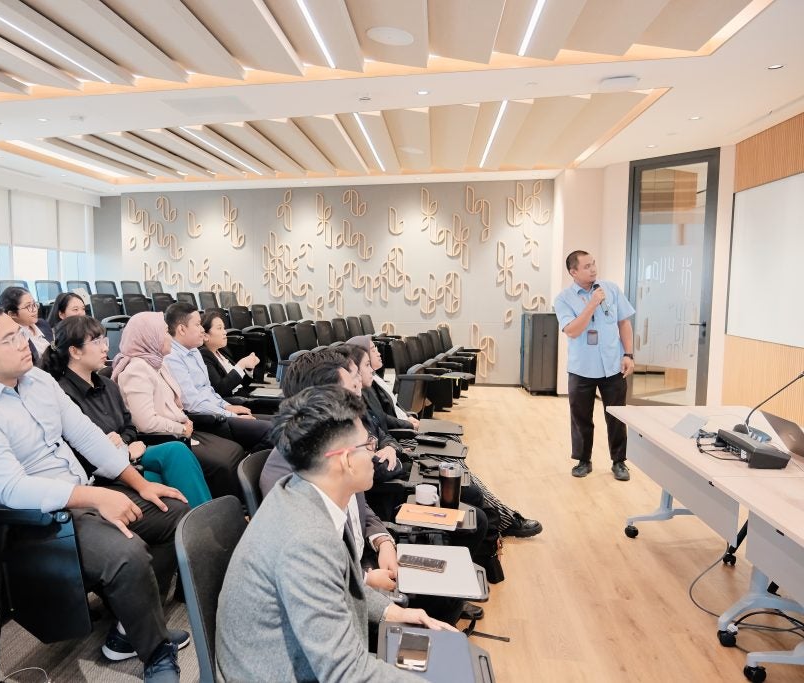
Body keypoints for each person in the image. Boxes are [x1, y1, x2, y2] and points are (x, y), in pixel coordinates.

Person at [0, 303, 189, 682]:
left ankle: (130, 626)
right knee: (126, 553)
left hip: (80, 495)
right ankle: (154, 651)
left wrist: (139, 483)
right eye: (9, 339)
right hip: (34, 522)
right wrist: (96, 497)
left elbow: (87, 435)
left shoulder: (38, 381)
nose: (25, 341)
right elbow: (12, 489)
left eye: (19, 332)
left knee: (174, 512)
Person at [216, 385, 456, 682]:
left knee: (440, 657)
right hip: (281, 672)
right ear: (343, 460)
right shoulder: (305, 540)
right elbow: (344, 672)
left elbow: (337, 584)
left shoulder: (303, 491)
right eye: (368, 444)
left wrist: (393, 613)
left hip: (305, 656)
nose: (373, 452)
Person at [346, 335, 543, 539]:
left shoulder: (375, 382)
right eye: (371, 351)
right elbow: (383, 425)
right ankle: (503, 519)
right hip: (401, 447)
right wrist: (404, 433)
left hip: (398, 443)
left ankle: (497, 516)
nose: (378, 351)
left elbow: (384, 421)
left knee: (457, 461)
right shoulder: (360, 395)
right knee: (453, 467)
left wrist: (406, 425)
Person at [41, 316, 211, 508]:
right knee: (161, 480)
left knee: (176, 450)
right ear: (75, 351)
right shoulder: (62, 394)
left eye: (104, 341)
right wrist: (124, 453)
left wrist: (123, 442)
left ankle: (207, 518)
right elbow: (79, 451)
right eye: (97, 342)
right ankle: (199, 524)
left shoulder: (107, 385)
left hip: (131, 453)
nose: (106, 348)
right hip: (103, 471)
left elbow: (129, 426)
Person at [113, 312, 246, 499]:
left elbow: (177, 403)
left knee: (233, 450)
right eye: (165, 332)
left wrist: (184, 423)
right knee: (222, 461)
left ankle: (237, 508)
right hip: (163, 437)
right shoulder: (137, 369)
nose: (169, 337)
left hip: (181, 430)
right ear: (150, 337)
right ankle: (221, 515)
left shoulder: (157, 363)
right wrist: (181, 427)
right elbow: (145, 423)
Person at [554, 251, 636, 481]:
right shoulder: (563, 299)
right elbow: (571, 330)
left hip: (613, 365)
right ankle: (583, 460)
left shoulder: (611, 289)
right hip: (582, 369)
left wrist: (628, 354)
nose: (593, 269)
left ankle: (619, 462)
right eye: (587, 266)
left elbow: (624, 322)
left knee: (617, 416)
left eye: (594, 263)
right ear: (573, 272)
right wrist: (591, 304)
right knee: (580, 417)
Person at [161, 302, 272, 453]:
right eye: (198, 325)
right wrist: (230, 414)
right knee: (272, 431)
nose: (202, 330)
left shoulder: (193, 351)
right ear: (181, 329)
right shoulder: (172, 358)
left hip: (218, 410)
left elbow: (208, 390)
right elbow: (193, 403)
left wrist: (226, 406)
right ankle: (250, 465)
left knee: (280, 422)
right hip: (207, 419)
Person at [198, 309, 260, 398]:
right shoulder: (204, 355)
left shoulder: (222, 351)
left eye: (224, 328)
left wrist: (249, 368)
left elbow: (241, 383)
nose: (225, 332)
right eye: (219, 328)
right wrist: (241, 365)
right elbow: (220, 389)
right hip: (230, 403)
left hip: (243, 395)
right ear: (205, 336)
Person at [0, 286, 53, 365]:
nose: (34, 310)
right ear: (12, 314)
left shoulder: (42, 324)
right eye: (28, 306)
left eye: (34, 304)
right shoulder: (12, 338)